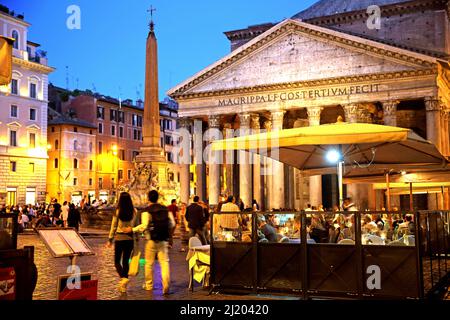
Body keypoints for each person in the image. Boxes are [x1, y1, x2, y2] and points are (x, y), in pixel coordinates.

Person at [132, 190, 174, 295]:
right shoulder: (166, 209)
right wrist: (169, 235)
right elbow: (172, 224)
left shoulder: (147, 211)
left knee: (149, 264)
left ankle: (149, 285)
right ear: (158, 198)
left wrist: (133, 229)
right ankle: (166, 285)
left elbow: (144, 225)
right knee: (164, 263)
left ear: (148, 198)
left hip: (151, 240)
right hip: (163, 240)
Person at [108, 192, 137, 293]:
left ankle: (123, 279)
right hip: (130, 239)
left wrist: (110, 239)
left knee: (117, 262)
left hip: (119, 239)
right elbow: (136, 226)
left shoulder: (117, 211)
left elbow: (113, 226)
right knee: (125, 261)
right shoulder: (134, 211)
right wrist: (136, 237)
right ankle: (124, 284)